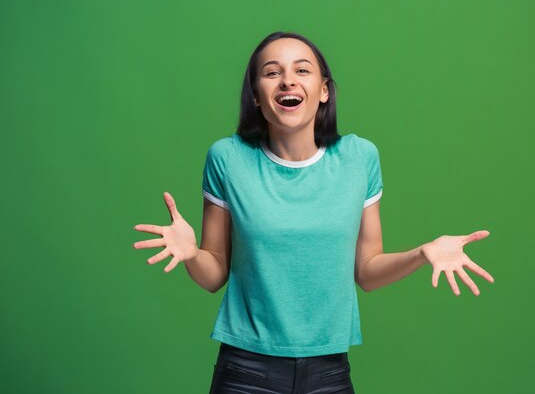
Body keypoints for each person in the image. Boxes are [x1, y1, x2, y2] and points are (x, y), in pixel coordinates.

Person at [133, 31, 495, 394]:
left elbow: (367, 271)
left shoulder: (359, 158)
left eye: (302, 70)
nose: (288, 80)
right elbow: (213, 274)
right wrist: (192, 255)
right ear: (256, 96)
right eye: (272, 72)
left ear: (324, 90)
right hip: (246, 373)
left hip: (329, 373)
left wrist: (422, 253)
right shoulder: (228, 159)